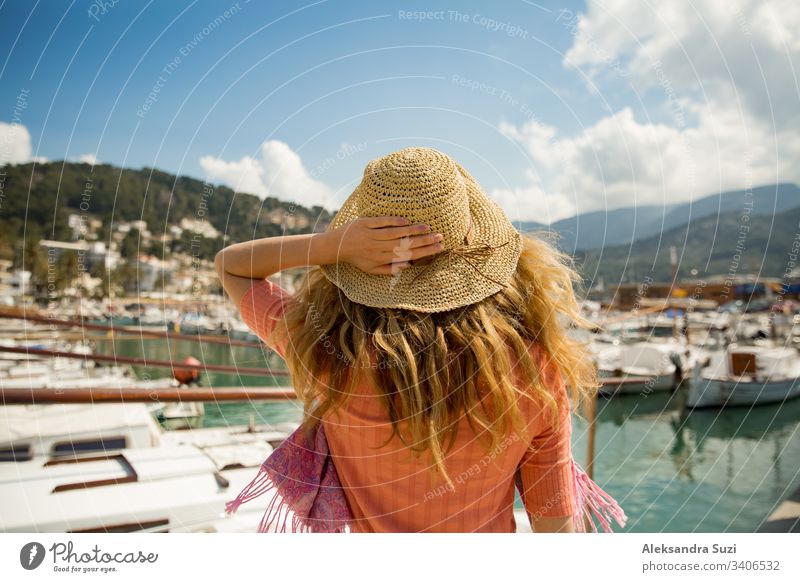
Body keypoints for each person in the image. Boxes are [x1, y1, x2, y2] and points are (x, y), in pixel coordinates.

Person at [215, 147, 626, 533]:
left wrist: (331, 246)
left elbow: (232, 266)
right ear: (473, 250)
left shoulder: (327, 350)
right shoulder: (534, 372)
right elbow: (555, 529)